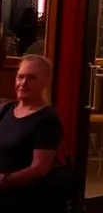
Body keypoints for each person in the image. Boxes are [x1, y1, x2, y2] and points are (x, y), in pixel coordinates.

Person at [0, 55, 65, 210]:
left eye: (32, 78)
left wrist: (5, 181)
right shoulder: (6, 110)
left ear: (46, 82)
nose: (23, 83)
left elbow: (39, 169)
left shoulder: (47, 119)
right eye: (20, 77)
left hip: (22, 200)